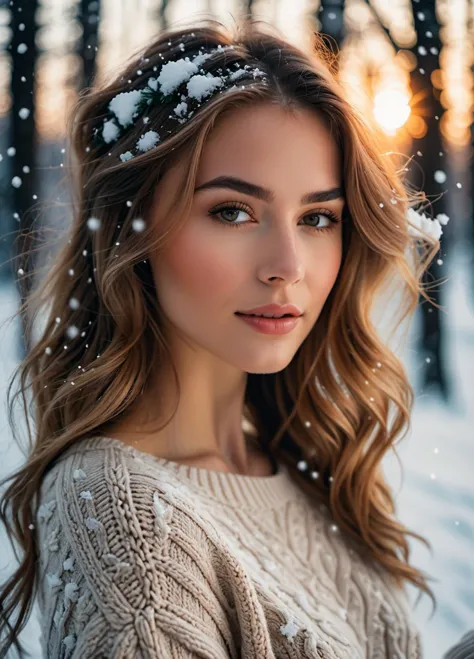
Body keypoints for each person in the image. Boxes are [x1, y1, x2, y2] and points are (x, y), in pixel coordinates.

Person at [0, 18, 441, 659]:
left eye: (318, 217)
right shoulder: (127, 518)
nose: (288, 265)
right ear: (134, 229)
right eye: (233, 211)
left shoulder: (299, 461)